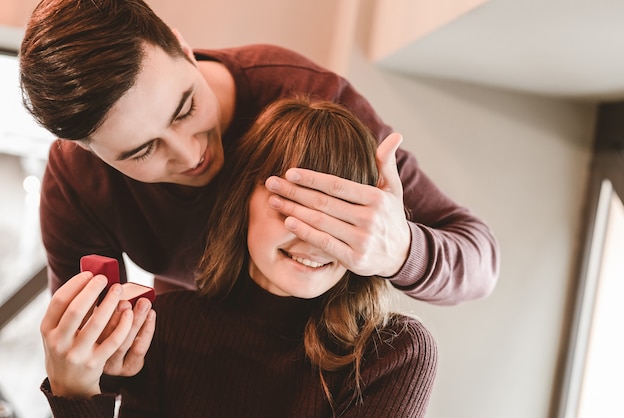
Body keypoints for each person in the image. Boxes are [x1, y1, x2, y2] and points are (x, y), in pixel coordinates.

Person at [20, 0, 498, 377]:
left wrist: (402, 250)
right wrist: (81, 376)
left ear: (184, 48)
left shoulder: (308, 98)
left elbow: (479, 262)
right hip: (194, 363)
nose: (190, 156)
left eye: (185, 108)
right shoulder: (77, 184)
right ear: (89, 151)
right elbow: (94, 351)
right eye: (140, 151)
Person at [40, 97, 438, 418]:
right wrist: (75, 396)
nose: (315, 238)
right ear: (242, 199)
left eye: (341, 214)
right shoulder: (166, 328)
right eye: (290, 203)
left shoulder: (394, 353)